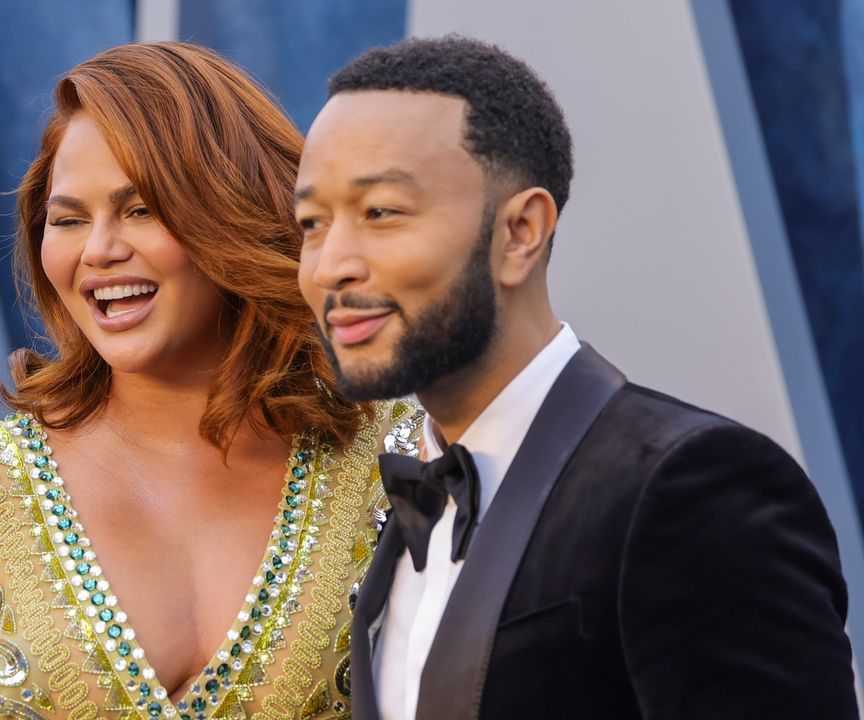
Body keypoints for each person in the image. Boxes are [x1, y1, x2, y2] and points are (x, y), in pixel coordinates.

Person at [0, 41, 421, 720]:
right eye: (67, 220)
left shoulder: (398, 461)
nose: (98, 250)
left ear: (231, 212)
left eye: (141, 208)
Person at [294, 35, 857, 720]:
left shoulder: (692, 486)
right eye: (311, 223)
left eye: (380, 212)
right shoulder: (405, 513)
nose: (330, 266)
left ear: (521, 232)